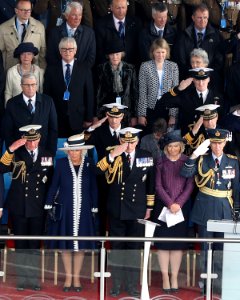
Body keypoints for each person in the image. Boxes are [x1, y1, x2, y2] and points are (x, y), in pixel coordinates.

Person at [96, 127, 155, 297]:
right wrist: (113, 154)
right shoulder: (112, 154)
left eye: (132, 142)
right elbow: (98, 170)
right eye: (125, 142)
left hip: (137, 209)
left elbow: (150, 183)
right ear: (120, 141)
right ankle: (116, 283)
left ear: (138, 141)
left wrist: (149, 207)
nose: (129, 146)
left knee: (134, 250)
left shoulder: (146, 155)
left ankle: (131, 284)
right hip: (118, 209)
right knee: (117, 248)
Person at [181, 129, 239, 292]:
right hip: (205, 209)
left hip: (224, 210)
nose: (217, 146)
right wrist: (193, 155)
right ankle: (206, 282)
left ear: (225, 143)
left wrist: (237, 211)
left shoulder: (232, 161)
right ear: (210, 143)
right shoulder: (202, 160)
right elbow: (185, 173)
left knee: (222, 250)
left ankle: (220, 283)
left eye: (220, 143)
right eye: (214, 142)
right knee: (206, 249)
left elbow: (237, 188)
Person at [0, 125, 54, 290]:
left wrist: (48, 203)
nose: (32, 144)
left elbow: (50, 180)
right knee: (21, 245)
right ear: (25, 140)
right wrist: (11, 148)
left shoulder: (46, 154)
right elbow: (1, 168)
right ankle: (22, 280)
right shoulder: (16, 153)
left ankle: (34, 279)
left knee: (34, 246)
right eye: (28, 141)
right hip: (19, 206)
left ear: (39, 139)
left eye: (34, 140)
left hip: (37, 207)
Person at [45, 133, 98, 292]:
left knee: (80, 245)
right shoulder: (61, 164)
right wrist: (48, 203)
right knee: (66, 245)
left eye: (77, 150)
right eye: (72, 150)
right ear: (68, 151)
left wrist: (94, 206)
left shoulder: (89, 163)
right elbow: (54, 185)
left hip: (84, 209)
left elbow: (93, 187)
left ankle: (76, 277)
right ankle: (68, 277)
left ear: (82, 150)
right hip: (65, 208)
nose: (74, 153)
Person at [152, 130, 194, 293]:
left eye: (176, 146)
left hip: (181, 210)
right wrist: (170, 203)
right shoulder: (160, 162)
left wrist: (179, 204)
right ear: (166, 147)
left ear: (181, 147)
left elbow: (190, 185)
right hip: (163, 209)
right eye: (170, 146)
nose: (173, 149)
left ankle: (174, 276)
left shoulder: (187, 161)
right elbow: (157, 186)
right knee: (163, 245)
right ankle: (165, 277)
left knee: (177, 245)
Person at [86, 103, 127, 235]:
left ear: (122, 117)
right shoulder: (99, 131)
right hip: (103, 177)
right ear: (106, 116)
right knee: (102, 210)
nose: (114, 120)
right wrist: (92, 127)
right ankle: (101, 240)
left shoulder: (129, 132)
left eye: (117, 117)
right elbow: (82, 143)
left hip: (123, 179)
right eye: (110, 117)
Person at [44, 37, 94, 138]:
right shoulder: (51, 69)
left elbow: (89, 94)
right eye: (64, 49)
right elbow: (47, 95)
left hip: (79, 118)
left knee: (77, 151)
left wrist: (89, 118)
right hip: (57, 118)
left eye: (70, 49)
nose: (67, 52)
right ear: (60, 51)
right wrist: (48, 117)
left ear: (75, 51)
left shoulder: (84, 69)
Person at [2, 72, 58, 156]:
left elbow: (53, 129)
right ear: (21, 86)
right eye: (27, 85)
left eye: (33, 84)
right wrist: (13, 154)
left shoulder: (48, 101)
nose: (30, 88)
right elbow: (8, 132)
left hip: (44, 153)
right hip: (20, 154)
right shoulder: (12, 104)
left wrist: (50, 153)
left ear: (37, 85)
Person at [159, 67, 224, 136]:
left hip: (210, 138)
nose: (201, 83)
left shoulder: (218, 97)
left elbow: (222, 118)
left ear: (209, 79)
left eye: (204, 79)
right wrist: (178, 89)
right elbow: (162, 103)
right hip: (189, 140)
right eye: (197, 80)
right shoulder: (186, 96)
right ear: (193, 80)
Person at [173, 3, 224, 81]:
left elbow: (219, 60)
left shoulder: (216, 36)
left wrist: (206, 74)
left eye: (205, 17)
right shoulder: (183, 36)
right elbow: (180, 61)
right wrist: (193, 74)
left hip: (210, 79)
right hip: (188, 79)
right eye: (199, 18)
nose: (203, 21)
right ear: (193, 18)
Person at [138, 38, 179, 132]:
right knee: (150, 135)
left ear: (167, 52)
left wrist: (173, 116)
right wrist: (141, 115)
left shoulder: (173, 66)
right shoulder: (145, 66)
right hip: (151, 108)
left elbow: (176, 92)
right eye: (157, 52)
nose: (160, 55)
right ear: (153, 52)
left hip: (167, 107)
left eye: (163, 52)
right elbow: (142, 92)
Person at [96, 39, 138, 126]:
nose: (115, 57)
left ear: (122, 55)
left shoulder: (130, 69)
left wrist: (134, 116)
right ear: (108, 55)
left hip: (126, 112)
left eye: (117, 54)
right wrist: (96, 115)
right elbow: (97, 93)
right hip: (107, 112)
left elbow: (134, 93)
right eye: (112, 54)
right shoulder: (101, 69)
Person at [46, 1, 96, 67]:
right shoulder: (54, 33)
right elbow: (51, 57)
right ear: (66, 16)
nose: (77, 18)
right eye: (74, 15)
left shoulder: (89, 33)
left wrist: (79, 71)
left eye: (80, 15)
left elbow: (91, 58)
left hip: (82, 74)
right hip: (60, 73)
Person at [0, 0, 46, 70]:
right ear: (16, 10)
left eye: (29, 10)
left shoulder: (39, 27)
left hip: (33, 74)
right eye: (23, 10)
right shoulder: (3, 28)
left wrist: (42, 72)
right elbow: (1, 52)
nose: (26, 13)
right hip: (11, 73)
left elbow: (43, 52)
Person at [94, 0, 142, 66]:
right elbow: (100, 51)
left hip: (132, 67)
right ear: (111, 7)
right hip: (109, 68)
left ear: (127, 7)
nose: (121, 11)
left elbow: (138, 49)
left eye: (123, 7)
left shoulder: (136, 23)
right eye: (118, 8)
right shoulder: (101, 24)